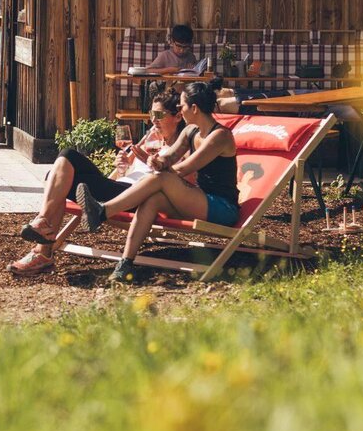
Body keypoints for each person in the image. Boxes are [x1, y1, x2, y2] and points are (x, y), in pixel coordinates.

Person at [7, 92, 188, 277]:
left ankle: (42, 251)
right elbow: (127, 171)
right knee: (62, 167)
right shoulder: (151, 138)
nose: (153, 121)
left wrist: (156, 163)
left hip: (136, 197)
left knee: (66, 162)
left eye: (158, 115)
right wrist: (122, 167)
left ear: (178, 116)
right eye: (151, 115)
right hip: (119, 188)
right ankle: (42, 227)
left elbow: (180, 182)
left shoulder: (185, 146)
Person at [75, 80, 240, 283]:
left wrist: (161, 168)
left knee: (160, 179)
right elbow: (170, 157)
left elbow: (185, 167)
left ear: (194, 108)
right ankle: (125, 263)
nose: (179, 110)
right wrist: (156, 160)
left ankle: (102, 211)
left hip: (222, 207)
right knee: (152, 199)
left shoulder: (220, 136)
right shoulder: (190, 131)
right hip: (200, 199)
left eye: (181, 106)